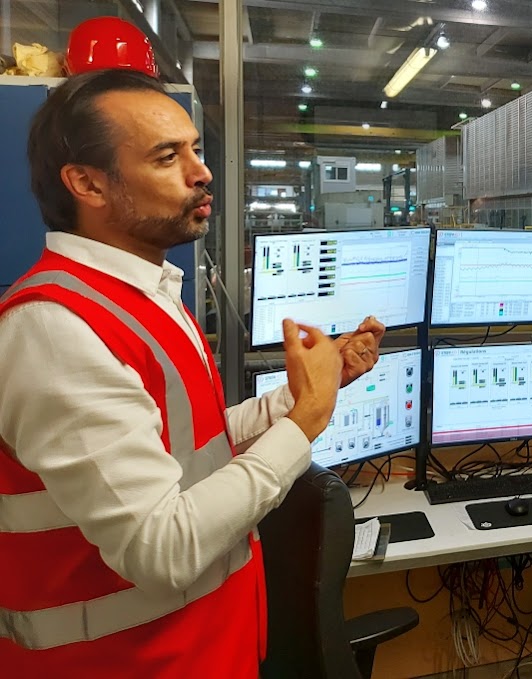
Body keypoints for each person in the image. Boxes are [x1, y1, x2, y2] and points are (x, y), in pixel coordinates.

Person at [0, 68, 385, 677]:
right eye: (166, 156)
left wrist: (311, 387)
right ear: (87, 183)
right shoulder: (55, 326)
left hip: (204, 648)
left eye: (196, 150)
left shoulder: (146, 294)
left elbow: (196, 448)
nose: (201, 172)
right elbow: (161, 549)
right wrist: (307, 419)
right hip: (125, 663)